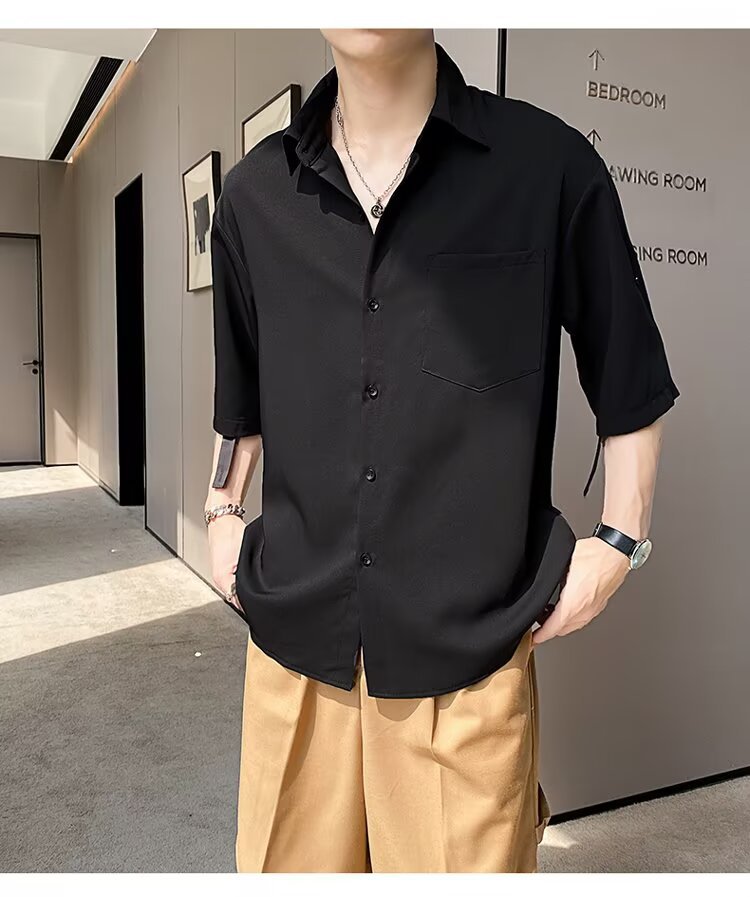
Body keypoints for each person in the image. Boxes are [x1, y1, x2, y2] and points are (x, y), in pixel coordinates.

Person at [203, 29, 679, 873]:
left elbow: (629, 372)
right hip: (295, 646)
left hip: (467, 658)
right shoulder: (251, 196)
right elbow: (242, 395)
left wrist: (619, 542)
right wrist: (220, 512)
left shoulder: (548, 166)